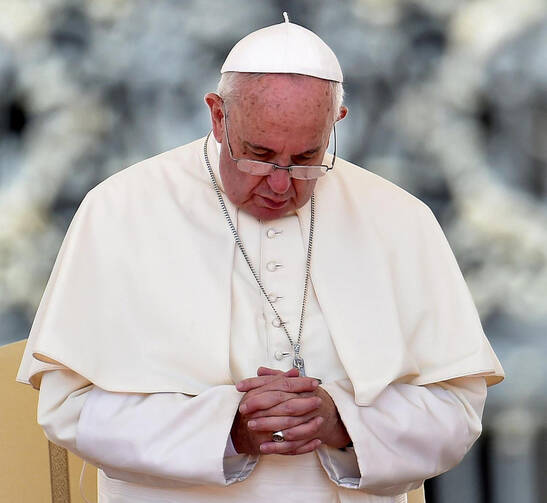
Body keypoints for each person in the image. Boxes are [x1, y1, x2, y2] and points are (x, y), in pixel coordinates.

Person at [18, 13, 504, 503]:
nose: (279, 182)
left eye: (306, 158)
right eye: (258, 154)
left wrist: (342, 422)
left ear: (337, 123)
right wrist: (228, 431)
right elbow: (68, 410)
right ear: (217, 115)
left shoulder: (400, 218)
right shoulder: (119, 209)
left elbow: (457, 411)